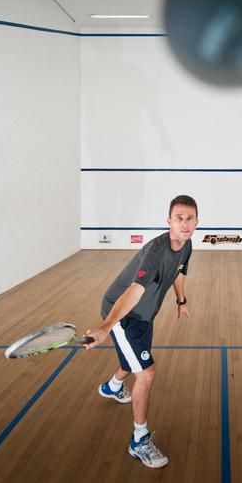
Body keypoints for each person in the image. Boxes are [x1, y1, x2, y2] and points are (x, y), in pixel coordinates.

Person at [85, 194, 198, 468]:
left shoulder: (186, 244)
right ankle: (139, 440)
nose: (184, 224)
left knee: (133, 359)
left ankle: (112, 387)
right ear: (168, 221)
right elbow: (134, 292)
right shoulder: (155, 253)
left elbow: (179, 272)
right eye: (179, 218)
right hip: (123, 313)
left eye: (189, 218)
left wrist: (181, 301)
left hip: (145, 315)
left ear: (196, 222)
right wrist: (105, 327)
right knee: (146, 373)